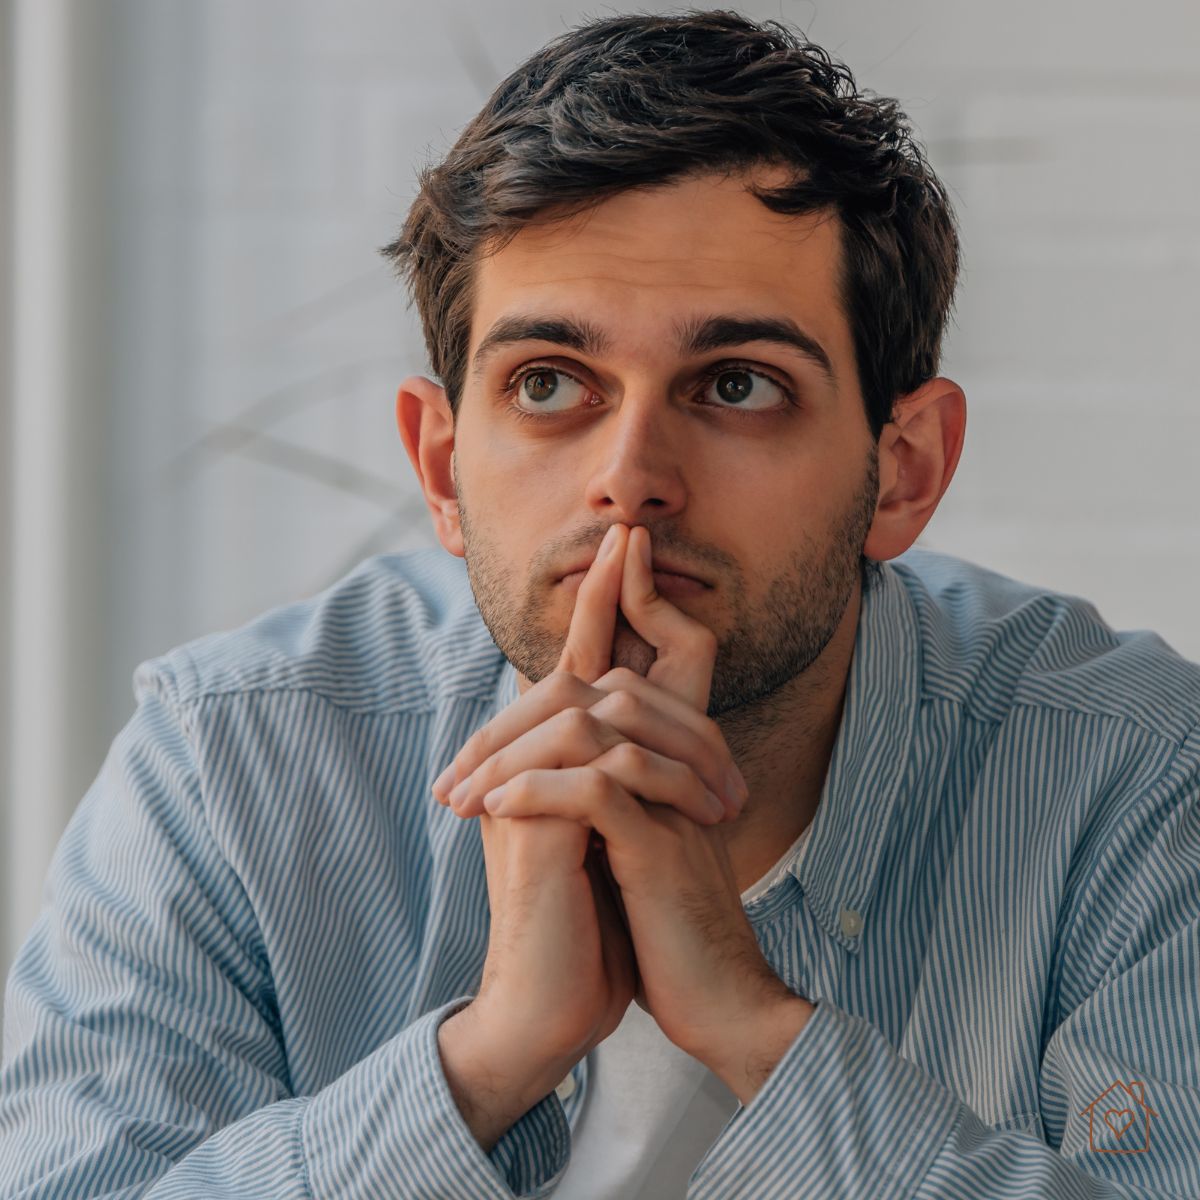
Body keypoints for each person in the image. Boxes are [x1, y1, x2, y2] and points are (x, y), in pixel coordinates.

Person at [2, 8, 1198, 1198]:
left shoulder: (1134, 776)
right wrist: (484, 1062)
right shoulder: (232, 763)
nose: (630, 476)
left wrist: (752, 1026)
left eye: (737, 384)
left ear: (904, 471)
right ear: (441, 468)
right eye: (546, 383)